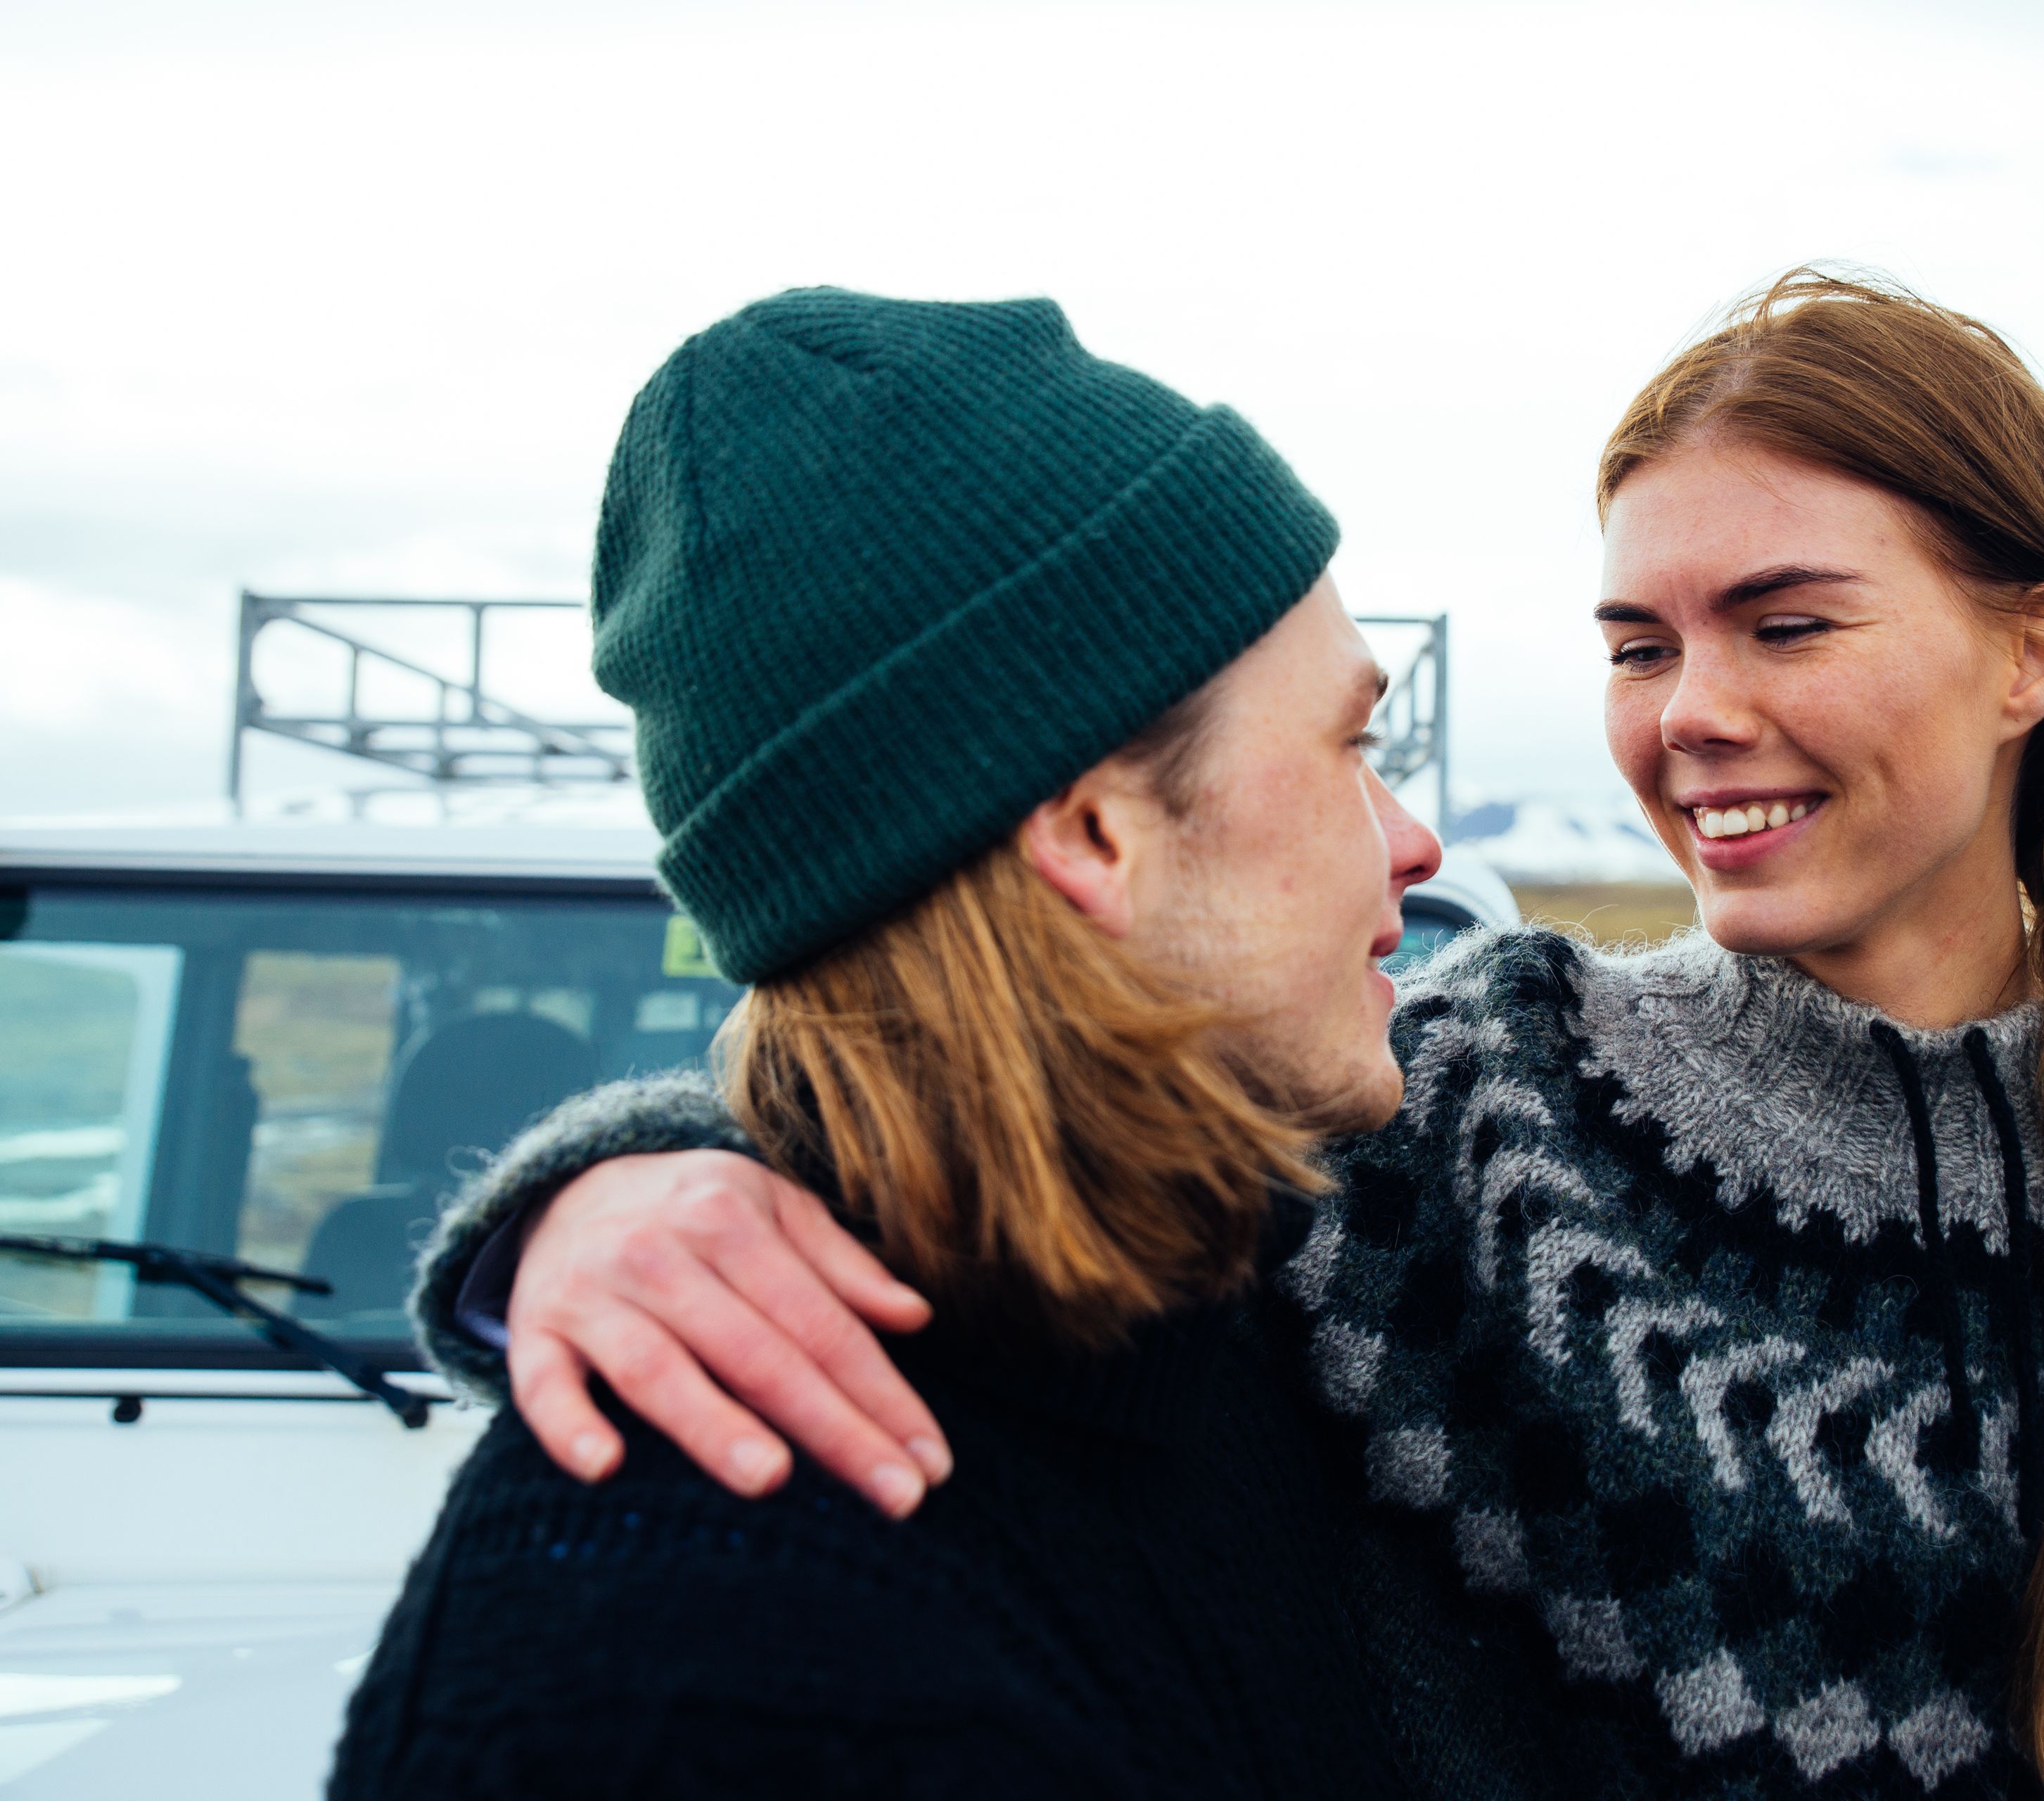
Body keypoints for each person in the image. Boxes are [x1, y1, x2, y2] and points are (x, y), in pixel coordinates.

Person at [412, 273, 2044, 1798]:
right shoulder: (1470, 1113)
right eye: (1635, 641)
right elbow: (1007, 1095)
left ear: (2029, 653)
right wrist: (611, 1188)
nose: (1689, 709)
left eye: (1783, 621)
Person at [330, 286, 1590, 1800]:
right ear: (1094, 830)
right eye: (1348, 746)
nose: (1411, 838)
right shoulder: (686, 1646)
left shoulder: (1246, 1325)